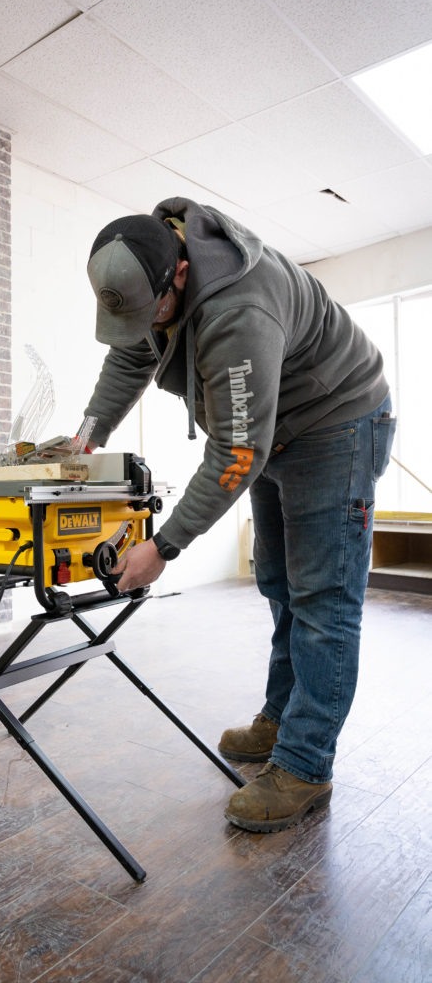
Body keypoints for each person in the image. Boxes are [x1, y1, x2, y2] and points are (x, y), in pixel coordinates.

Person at [78, 198, 396, 833]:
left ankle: (306, 766)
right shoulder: (152, 260)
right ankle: (281, 718)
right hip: (277, 433)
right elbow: (133, 353)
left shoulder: (238, 311)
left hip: (336, 424)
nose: (146, 325)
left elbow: (234, 453)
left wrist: (162, 546)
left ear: (178, 274)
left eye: (152, 312)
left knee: (323, 602)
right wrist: (85, 437)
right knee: (279, 586)